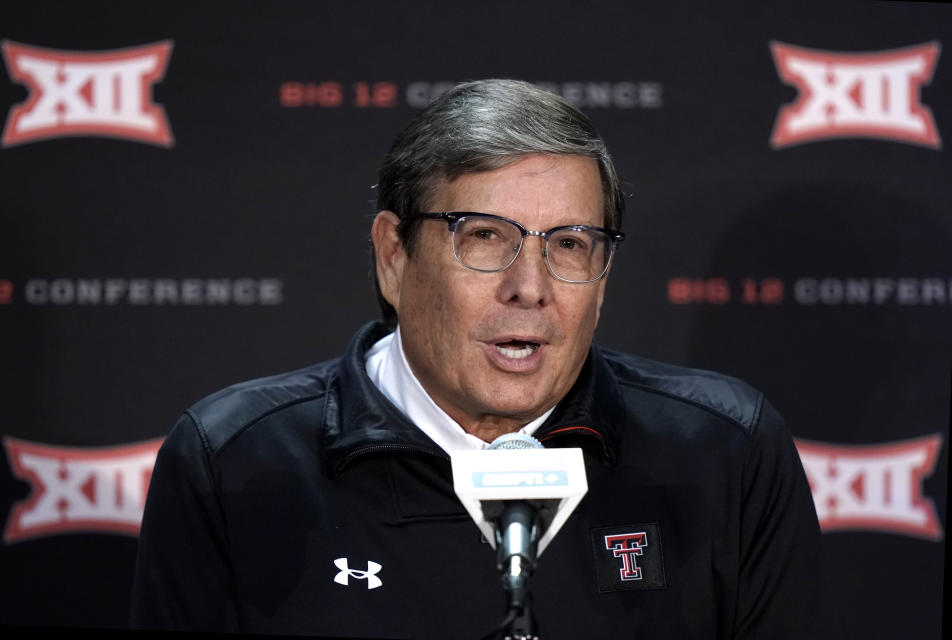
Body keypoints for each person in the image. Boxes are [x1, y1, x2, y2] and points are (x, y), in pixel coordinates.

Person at [130, 79, 823, 639]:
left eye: (570, 244)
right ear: (393, 256)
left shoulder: (726, 453)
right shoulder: (234, 462)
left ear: (603, 278)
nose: (531, 287)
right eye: (485, 237)